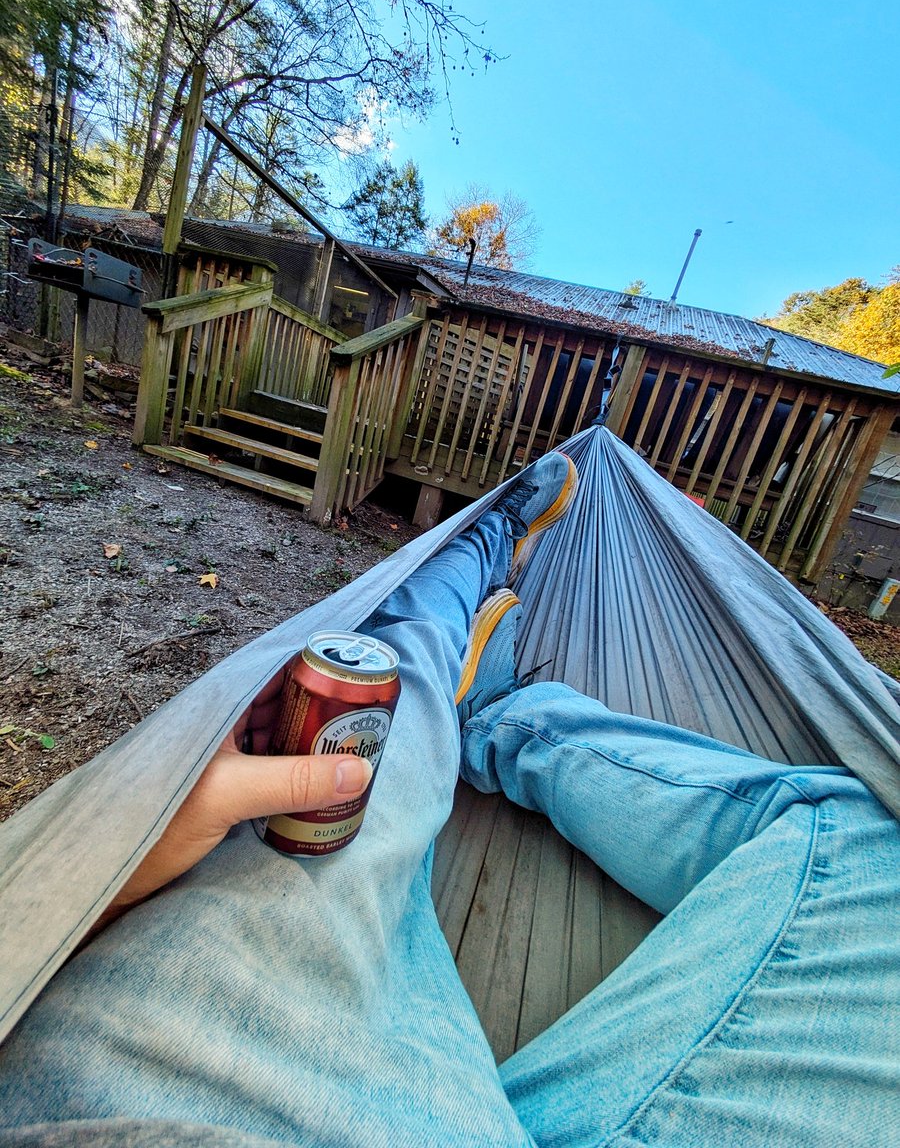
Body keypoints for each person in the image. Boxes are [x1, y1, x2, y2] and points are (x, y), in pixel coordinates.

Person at [0, 453, 897, 1148]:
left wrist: (107, 873)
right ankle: (499, 703)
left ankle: (469, 578)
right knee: (866, 837)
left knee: (375, 731)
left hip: (202, 1087)